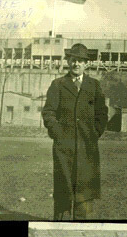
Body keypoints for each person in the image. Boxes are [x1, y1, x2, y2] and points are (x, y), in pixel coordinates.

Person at [42, 43, 108, 220]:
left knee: (84, 198)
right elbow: (48, 112)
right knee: (63, 194)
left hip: (87, 149)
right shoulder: (57, 85)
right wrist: (58, 133)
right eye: (73, 60)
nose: (76, 64)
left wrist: (94, 133)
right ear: (68, 62)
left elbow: (102, 114)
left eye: (80, 61)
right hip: (64, 149)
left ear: (86, 64)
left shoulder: (94, 86)